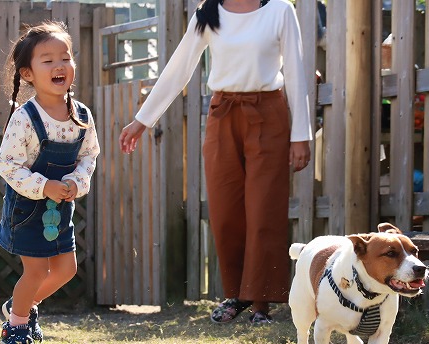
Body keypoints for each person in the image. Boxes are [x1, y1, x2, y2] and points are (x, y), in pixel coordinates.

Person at [119, 0, 312, 325]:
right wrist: (142, 120)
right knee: (225, 209)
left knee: (264, 209)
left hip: (268, 115)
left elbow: (295, 72)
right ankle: (237, 294)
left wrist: (300, 135)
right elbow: (179, 68)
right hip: (223, 114)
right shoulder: (207, 12)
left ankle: (261, 304)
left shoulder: (280, 10)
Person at [0, 21, 100, 344]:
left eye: (65, 58)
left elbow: (89, 155)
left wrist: (76, 182)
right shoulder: (25, 118)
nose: (59, 65)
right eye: (48, 60)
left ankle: (21, 306)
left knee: (67, 269)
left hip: (61, 208)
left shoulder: (81, 115)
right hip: (27, 208)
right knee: (36, 271)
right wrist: (43, 186)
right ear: (28, 73)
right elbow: (8, 165)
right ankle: (17, 327)